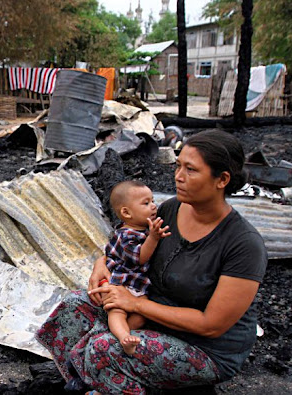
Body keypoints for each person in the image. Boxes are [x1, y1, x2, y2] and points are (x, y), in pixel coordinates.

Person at [36, 130, 267, 394]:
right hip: (152, 315)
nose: (178, 176)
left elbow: (211, 325)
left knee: (105, 348)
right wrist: (103, 262)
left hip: (206, 347)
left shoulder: (243, 244)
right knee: (74, 307)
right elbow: (130, 247)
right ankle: (91, 380)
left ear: (222, 180)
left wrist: (135, 303)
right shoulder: (170, 210)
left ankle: (116, 379)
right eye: (178, 165)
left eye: (191, 170)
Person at [96, 180, 171, 357]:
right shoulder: (126, 235)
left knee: (141, 317)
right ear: (126, 212)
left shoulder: (143, 230)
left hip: (139, 287)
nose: (153, 207)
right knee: (117, 312)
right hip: (121, 285)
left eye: (153, 201)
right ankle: (122, 336)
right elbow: (140, 257)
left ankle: (122, 336)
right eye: (146, 203)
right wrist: (153, 238)